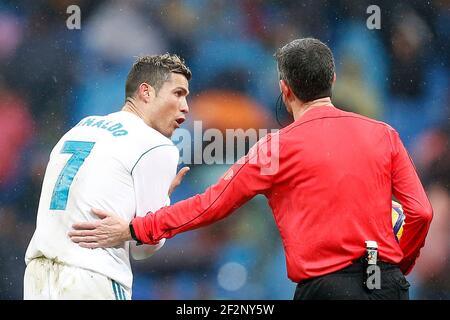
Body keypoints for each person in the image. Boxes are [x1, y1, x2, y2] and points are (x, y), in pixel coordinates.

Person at [69, 38, 433, 300]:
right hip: (385, 282)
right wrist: (396, 265)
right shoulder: (383, 134)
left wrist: (135, 228)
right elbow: (420, 212)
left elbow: (209, 205)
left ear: (284, 89)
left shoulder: (277, 148)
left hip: (327, 288)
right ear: (332, 81)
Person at [24, 54, 191, 299]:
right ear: (146, 92)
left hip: (38, 276)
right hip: (94, 276)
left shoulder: (79, 129)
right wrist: (164, 201)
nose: (185, 106)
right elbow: (143, 248)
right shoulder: (156, 145)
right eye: (178, 93)